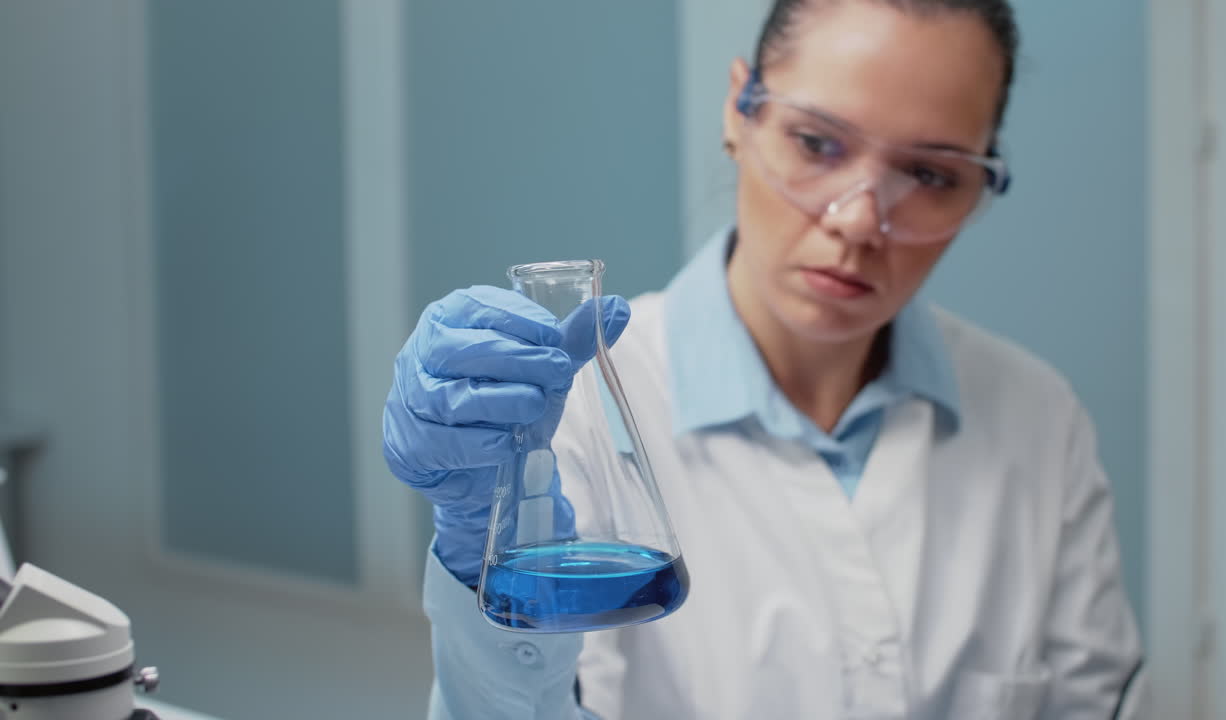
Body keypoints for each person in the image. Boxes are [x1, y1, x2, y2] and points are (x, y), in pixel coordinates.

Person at [382, 0, 1147, 717]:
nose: (857, 223)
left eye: (930, 174)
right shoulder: (571, 411)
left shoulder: (1042, 419)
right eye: (818, 143)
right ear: (738, 112)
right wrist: (476, 552)